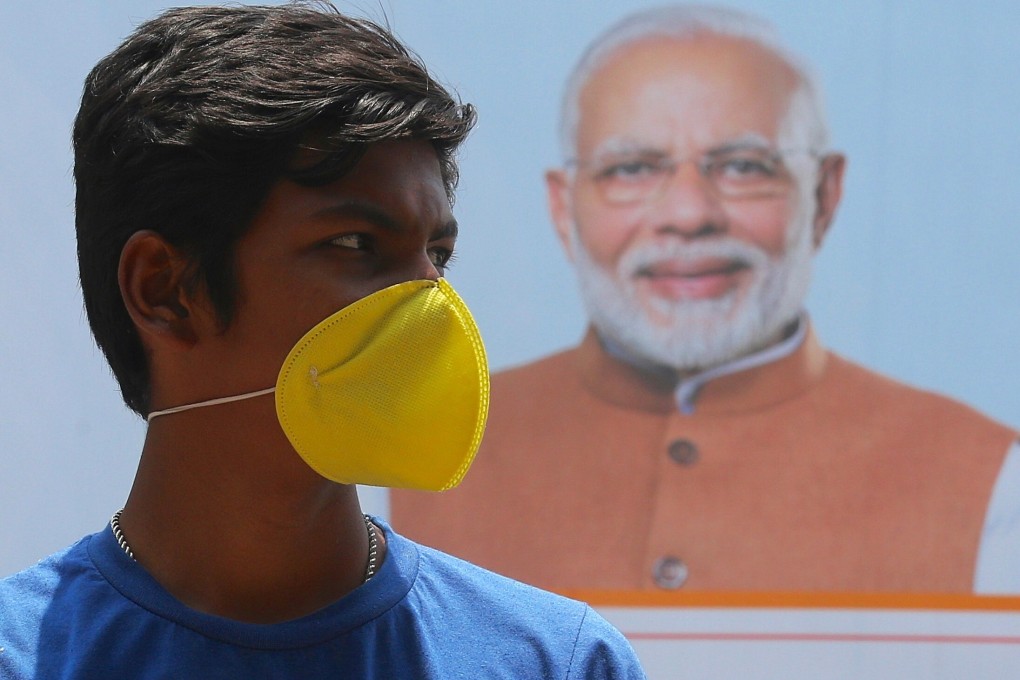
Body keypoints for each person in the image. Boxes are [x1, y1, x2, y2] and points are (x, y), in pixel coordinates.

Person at [0, 4, 647, 678]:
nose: (430, 304)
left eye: (437, 254)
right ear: (165, 289)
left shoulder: (557, 663)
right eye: (356, 245)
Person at [392, 5, 1020, 594]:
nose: (689, 215)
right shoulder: (403, 458)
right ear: (564, 208)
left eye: (744, 167)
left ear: (824, 196)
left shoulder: (991, 483)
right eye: (632, 169)